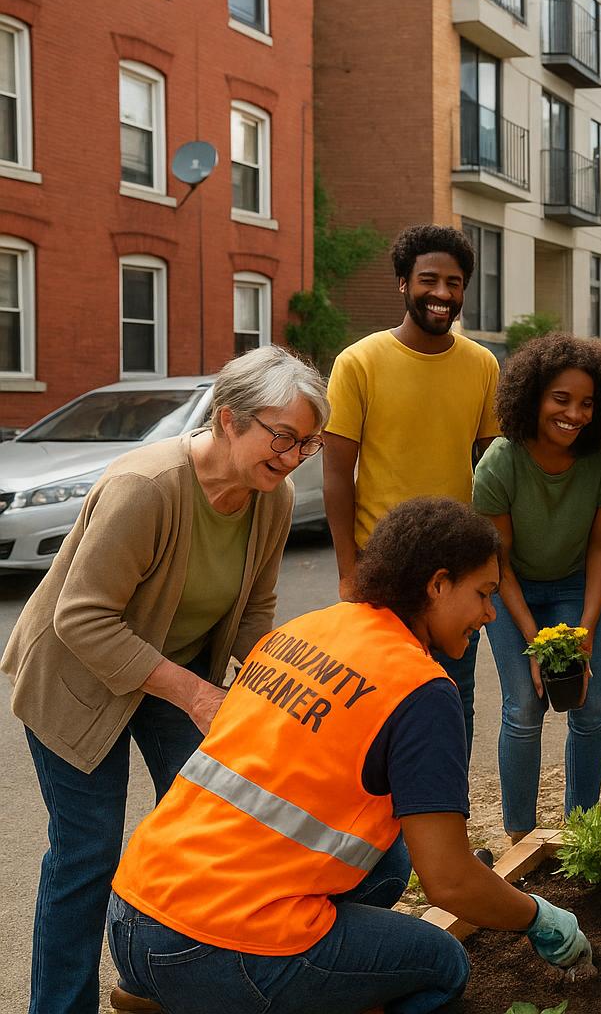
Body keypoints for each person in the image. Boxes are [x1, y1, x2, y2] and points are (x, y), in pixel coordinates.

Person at [107, 497, 592, 1014]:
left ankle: (167, 992)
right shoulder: (421, 690)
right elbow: (449, 881)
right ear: (438, 584)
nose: (489, 613)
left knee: (389, 865)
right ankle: (217, 995)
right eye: (483, 594)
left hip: (133, 914)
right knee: (443, 965)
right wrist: (538, 916)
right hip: (219, 946)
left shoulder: (302, 631)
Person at [3, 347, 327, 1014]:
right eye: (285, 437)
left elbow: (254, 616)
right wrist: (197, 693)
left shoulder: (272, 497)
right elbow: (82, 619)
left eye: (309, 442)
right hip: (77, 677)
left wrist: (274, 691)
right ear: (230, 420)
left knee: (205, 827)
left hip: (169, 671)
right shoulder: (147, 487)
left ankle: (149, 979)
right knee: (86, 853)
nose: (295, 457)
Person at [323, 224, 501, 755]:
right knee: (379, 707)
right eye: (429, 280)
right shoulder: (358, 363)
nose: (443, 293)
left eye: (454, 282)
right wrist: (347, 572)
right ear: (403, 283)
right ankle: (380, 834)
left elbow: (491, 470)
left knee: (454, 701)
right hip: (383, 567)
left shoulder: (482, 364)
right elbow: (337, 475)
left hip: (456, 571)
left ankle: (449, 827)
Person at [474, 333, 601, 844]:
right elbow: (499, 562)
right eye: (561, 399)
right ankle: (520, 836)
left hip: (574, 587)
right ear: (532, 398)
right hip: (509, 587)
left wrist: (583, 633)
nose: (575, 414)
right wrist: (535, 641)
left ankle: (583, 831)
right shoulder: (500, 461)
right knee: (524, 705)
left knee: (588, 706)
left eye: (587, 403)